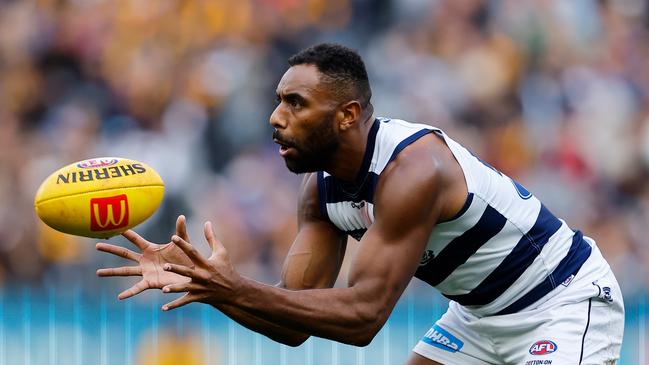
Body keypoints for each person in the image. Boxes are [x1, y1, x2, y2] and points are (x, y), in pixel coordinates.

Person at [96, 43, 625, 364]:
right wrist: (206, 284)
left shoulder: (413, 171)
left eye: (295, 103)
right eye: (278, 101)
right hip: (481, 316)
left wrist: (233, 287)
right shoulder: (321, 189)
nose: (275, 118)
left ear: (348, 115)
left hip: (562, 301)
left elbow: (364, 318)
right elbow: (295, 323)